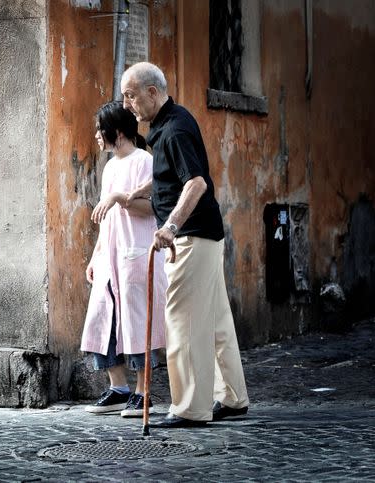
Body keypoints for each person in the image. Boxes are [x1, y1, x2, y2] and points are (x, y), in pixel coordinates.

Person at [121, 62, 249, 427]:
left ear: (151, 92)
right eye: (124, 97)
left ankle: (191, 408)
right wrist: (145, 189)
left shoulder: (174, 129)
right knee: (217, 323)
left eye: (131, 95)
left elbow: (195, 183)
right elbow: (174, 175)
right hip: (204, 235)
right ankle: (233, 398)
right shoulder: (169, 122)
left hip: (190, 237)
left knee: (183, 321)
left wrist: (170, 227)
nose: (127, 104)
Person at [81, 101, 168, 418]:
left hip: (137, 252)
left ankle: (144, 392)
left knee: (138, 323)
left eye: (99, 130)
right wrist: (95, 255)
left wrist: (122, 201)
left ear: (115, 132)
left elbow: (154, 209)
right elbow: (106, 220)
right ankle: (118, 388)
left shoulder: (144, 162)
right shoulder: (109, 168)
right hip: (109, 256)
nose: (96, 136)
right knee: (104, 322)